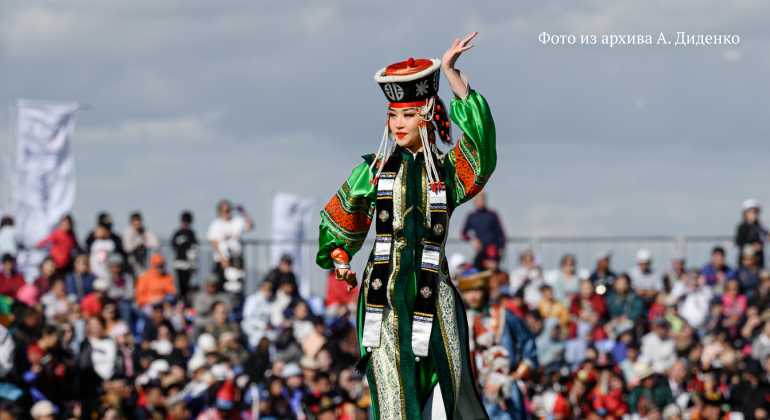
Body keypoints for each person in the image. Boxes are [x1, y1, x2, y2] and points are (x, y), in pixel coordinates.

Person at [316, 33, 493, 420]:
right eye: (393, 115)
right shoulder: (373, 170)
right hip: (384, 293)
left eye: (408, 114)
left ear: (428, 115)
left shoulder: (446, 172)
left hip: (436, 288)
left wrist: (451, 73)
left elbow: (481, 150)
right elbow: (343, 215)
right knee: (395, 394)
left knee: (451, 387)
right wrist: (340, 255)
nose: (398, 124)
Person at [459, 267, 538, 420]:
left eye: (477, 290)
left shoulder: (504, 314)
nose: (473, 295)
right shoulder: (461, 320)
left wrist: (516, 375)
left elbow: (528, 343)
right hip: (474, 391)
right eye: (468, 291)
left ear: (485, 290)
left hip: (507, 388)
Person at [206, 200, 254, 289]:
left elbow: (250, 226)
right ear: (219, 211)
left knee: (237, 285)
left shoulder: (237, 222)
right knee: (219, 285)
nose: (227, 212)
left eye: (229, 210)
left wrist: (244, 213)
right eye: (225, 210)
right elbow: (214, 242)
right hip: (222, 261)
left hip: (236, 259)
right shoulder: (215, 225)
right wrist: (222, 258)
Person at [461, 192, 506, 270]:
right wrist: (473, 239)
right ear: (475, 201)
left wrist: (501, 247)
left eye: (483, 199)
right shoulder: (471, 216)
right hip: (481, 252)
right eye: (479, 200)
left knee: (492, 271)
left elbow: (500, 233)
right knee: (477, 270)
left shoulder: (492, 214)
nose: (482, 201)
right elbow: (463, 233)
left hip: (492, 250)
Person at [85, 212, 125, 280]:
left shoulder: (115, 240)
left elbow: (120, 256)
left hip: (109, 275)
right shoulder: (92, 238)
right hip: (94, 274)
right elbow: (87, 250)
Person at [122, 212, 161, 278]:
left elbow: (156, 244)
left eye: (139, 221)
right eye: (135, 221)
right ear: (131, 222)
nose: (137, 223)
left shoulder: (146, 231)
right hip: (129, 264)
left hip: (143, 263)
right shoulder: (127, 232)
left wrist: (143, 243)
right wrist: (140, 241)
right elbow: (127, 248)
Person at [192, 274, 229, 340]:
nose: (212, 288)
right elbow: (200, 310)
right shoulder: (199, 296)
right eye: (210, 285)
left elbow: (228, 308)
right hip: (202, 324)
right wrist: (214, 305)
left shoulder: (221, 296)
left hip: (218, 324)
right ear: (206, 285)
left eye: (214, 286)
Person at [171, 211, 199, 302]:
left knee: (185, 285)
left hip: (186, 264)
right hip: (180, 264)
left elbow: (194, 249)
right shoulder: (179, 233)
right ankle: (181, 302)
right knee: (181, 285)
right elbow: (174, 246)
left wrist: (193, 266)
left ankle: (184, 301)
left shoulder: (190, 233)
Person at [241, 281, 275, 348]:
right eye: (267, 289)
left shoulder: (270, 302)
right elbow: (248, 317)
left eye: (270, 289)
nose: (269, 291)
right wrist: (263, 326)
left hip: (266, 331)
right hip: (252, 329)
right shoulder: (252, 299)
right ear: (260, 288)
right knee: (256, 340)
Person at [736, 199, 768, 268]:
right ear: (745, 214)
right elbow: (738, 242)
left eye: (755, 212)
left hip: (759, 261)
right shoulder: (742, 227)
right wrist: (752, 247)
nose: (753, 215)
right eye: (751, 212)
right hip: (746, 264)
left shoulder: (759, 227)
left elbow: (766, 236)